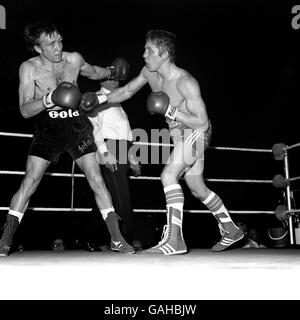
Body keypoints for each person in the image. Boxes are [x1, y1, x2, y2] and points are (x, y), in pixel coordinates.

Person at [80, 29, 244, 255]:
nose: (144, 55)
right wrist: (100, 99)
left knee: (168, 175)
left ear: (164, 53)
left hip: (197, 131)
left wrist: (171, 111)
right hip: (179, 135)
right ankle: (230, 228)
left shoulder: (185, 82)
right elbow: (126, 91)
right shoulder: (149, 73)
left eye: (149, 50)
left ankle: (175, 240)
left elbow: (202, 123)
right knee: (197, 188)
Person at [0, 21, 134, 256]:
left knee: (96, 178)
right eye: (51, 44)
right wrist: (50, 98)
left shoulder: (73, 59)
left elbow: (94, 72)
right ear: (38, 48)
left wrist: (113, 72)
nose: (58, 47)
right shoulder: (29, 68)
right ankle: (5, 239)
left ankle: (116, 238)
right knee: (30, 181)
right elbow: (24, 109)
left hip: (77, 127)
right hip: (48, 128)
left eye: (60, 40)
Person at [87, 78, 142, 249]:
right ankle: (124, 238)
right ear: (103, 80)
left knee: (108, 195)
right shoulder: (96, 97)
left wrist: (132, 159)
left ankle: (95, 239)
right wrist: (105, 152)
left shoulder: (117, 99)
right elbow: (94, 128)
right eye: (112, 76)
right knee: (121, 196)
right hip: (110, 147)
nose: (116, 79)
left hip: (122, 147)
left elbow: (124, 131)